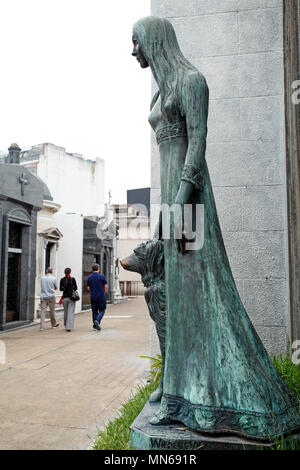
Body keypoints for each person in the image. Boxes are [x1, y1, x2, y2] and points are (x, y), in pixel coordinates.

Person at [131, 16, 300, 440]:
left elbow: (199, 140)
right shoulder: (160, 89)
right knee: (181, 293)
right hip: (173, 200)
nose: (132, 51)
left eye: (136, 42)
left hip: (189, 198)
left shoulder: (192, 81)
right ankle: (178, 393)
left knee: (198, 293)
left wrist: (182, 203)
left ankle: (206, 394)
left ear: (154, 41)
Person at [87, 264, 108, 331]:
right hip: (101, 296)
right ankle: (97, 320)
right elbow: (106, 286)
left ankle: (95, 327)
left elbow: (88, 287)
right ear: (98, 269)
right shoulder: (102, 276)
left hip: (93, 297)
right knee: (102, 310)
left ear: (92, 269)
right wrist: (104, 292)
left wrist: (92, 291)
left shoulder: (89, 277)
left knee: (94, 311)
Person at [60, 267, 77, 332]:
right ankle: (68, 326)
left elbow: (60, 289)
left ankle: (65, 324)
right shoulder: (72, 279)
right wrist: (72, 288)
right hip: (71, 298)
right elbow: (76, 288)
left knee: (65, 312)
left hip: (64, 298)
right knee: (71, 312)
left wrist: (64, 288)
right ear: (70, 272)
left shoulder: (62, 279)